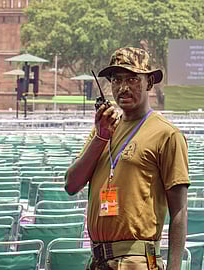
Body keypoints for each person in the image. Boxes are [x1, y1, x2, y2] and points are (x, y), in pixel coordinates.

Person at [65, 47, 189, 270]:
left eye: (133, 79)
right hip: (98, 260)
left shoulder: (166, 134)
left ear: (149, 83)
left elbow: (179, 210)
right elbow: (71, 185)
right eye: (116, 79)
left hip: (138, 261)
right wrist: (101, 137)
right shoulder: (102, 130)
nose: (123, 87)